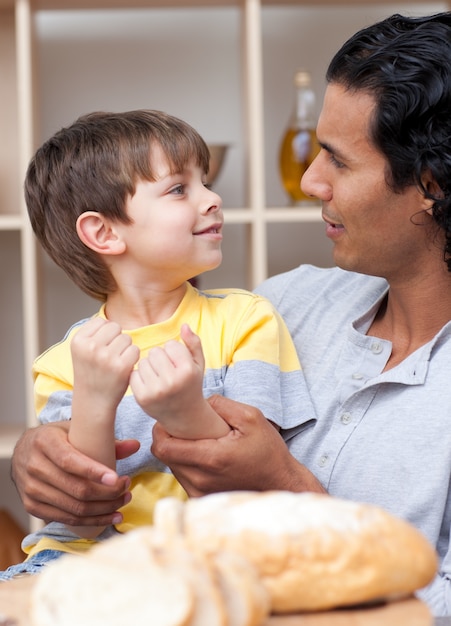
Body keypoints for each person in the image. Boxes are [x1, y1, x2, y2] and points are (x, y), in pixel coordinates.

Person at [8, 10, 451, 615]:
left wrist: (281, 487)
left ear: (431, 185)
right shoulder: (287, 301)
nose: (311, 181)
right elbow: (88, 471)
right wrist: (46, 451)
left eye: (338, 161)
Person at [0, 110, 306, 577]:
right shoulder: (65, 363)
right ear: (103, 232)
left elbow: (247, 475)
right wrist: (97, 402)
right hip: (85, 558)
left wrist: (187, 412)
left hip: (210, 550)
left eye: (203, 181)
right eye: (179, 189)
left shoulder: (245, 318)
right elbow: (85, 510)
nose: (213, 199)